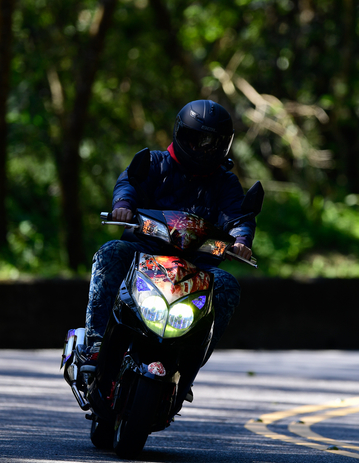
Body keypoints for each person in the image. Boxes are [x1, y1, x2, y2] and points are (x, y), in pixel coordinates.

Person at [80, 99, 256, 369]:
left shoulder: (226, 183)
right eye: (195, 140)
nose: (202, 148)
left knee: (227, 285)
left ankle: (188, 368)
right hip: (143, 253)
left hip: (197, 266)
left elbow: (238, 217)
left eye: (212, 143)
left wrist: (241, 240)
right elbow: (129, 183)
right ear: (180, 134)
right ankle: (96, 343)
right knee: (111, 252)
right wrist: (123, 206)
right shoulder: (154, 163)